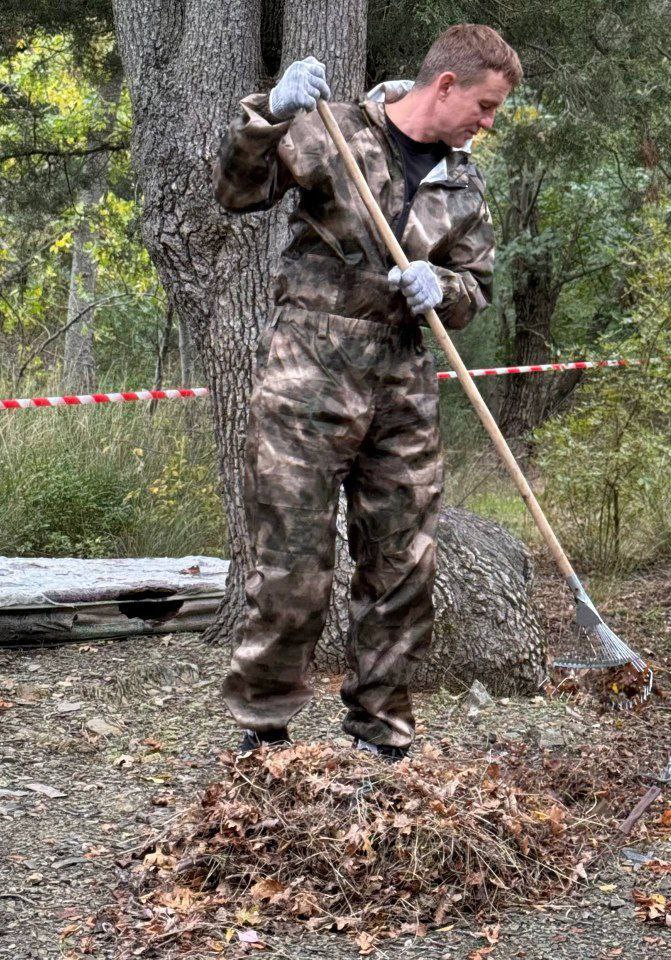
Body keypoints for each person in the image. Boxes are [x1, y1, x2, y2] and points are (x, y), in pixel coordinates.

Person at [213, 25, 522, 759]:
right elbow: (237, 191)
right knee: (292, 566)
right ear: (444, 85)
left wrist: (440, 286)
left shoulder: (464, 184)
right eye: (484, 106)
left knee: (402, 568)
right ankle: (263, 734)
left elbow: (477, 290)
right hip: (309, 372)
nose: (487, 123)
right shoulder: (333, 130)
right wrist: (269, 114)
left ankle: (381, 735)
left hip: (404, 383)